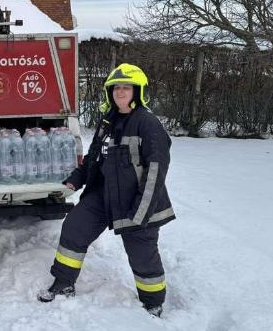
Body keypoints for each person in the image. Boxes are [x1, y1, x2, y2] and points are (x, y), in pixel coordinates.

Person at [37, 63, 175, 317]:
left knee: (142, 252)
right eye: (115, 88)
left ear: (138, 91)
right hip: (103, 194)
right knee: (74, 229)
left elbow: (155, 171)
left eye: (126, 88)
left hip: (138, 201)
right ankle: (63, 282)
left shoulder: (148, 123)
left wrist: (140, 212)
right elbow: (93, 158)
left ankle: (153, 301)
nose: (120, 92)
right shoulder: (107, 121)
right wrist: (76, 179)